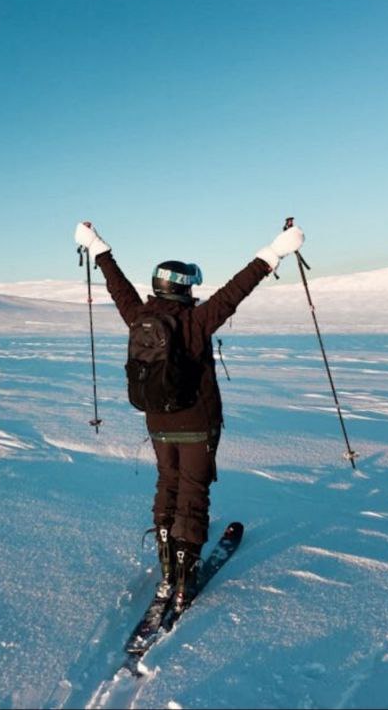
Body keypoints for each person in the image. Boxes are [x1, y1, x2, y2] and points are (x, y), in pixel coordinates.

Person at [74, 219, 304, 607]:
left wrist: (96, 245)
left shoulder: (138, 316)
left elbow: (117, 285)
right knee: (193, 495)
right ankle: (185, 576)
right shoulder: (196, 322)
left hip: (158, 423)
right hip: (198, 423)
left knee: (169, 484)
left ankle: (167, 567)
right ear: (184, 289)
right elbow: (236, 290)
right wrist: (275, 251)